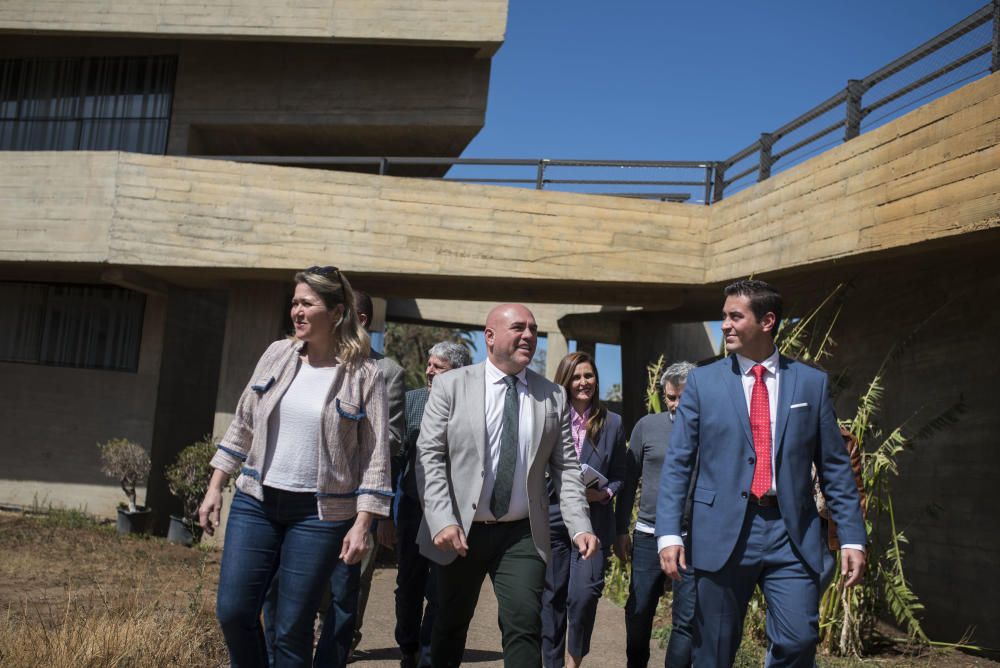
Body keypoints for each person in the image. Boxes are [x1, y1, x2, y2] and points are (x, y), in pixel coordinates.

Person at [656, 279, 867, 668]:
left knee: (799, 639)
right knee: (713, 651)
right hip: (721, 532)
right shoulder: (703, 383)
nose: (725, 325)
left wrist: (852, 536)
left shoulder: (811, 383)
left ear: (767, 321)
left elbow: (835, 466)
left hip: (792, 533)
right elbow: (679, 463)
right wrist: (668, 532)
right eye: (723, 317)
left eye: (735, 317)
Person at [199, 265, 392, 668]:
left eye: (307, 303)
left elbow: (376, 458)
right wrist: (216, 485)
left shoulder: (365, 376)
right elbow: (243, 425)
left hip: (319, 516)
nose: (297, 312)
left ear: (336, 312)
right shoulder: (276, 355)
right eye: (294, 303)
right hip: (256, 502)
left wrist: (362, 524)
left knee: (291, 627)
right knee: (233, 612)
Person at [416, 303, 600, 668]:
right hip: (459, 530)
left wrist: (580, 525)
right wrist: (442, 519)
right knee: (449, 626)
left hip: (521, 534)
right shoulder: (452, 385)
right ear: (490, 336)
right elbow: (429, 455)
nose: (529, 335)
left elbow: (565, 468)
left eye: (532, 328)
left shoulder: (553, 396)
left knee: (524, 625)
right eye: (518, 327)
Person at [316, 289, 407, 664]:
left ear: (361, 320)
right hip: (314, 492)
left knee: (352, 578)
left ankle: (342, 640)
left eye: (340, 313)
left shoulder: (389, 373)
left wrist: (349, 428)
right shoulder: (316, 363)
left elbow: (393, 440)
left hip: (360, 500)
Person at [541, 352, 626, 668]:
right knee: (551, 596)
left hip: (595, 520)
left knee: (584, 594)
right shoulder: (548, 418)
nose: (583, 382)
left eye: (588, 376)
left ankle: (574, 659)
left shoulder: (613, 423)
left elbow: (620, 474)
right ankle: (552, 663)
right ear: (564, 381)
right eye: (576, 377)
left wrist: (603, 492)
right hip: (551, 516)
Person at [395, 341, 472, 668]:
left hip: (453, 514)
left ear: (457, 373)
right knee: (408, 587)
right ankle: (408, 645)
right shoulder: (411, 402)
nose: (429, 371)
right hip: (414, 510)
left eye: (438, 367)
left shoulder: (472, 408)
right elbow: (394, 461)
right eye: (429, 364)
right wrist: (385, 516)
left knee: (441, 591)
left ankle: (427, 654)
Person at [615, 361, 695, 668]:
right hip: (649, 535)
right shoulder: (646, 426)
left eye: (681, 398)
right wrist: (621, 529)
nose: (674, 404)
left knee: (686, 619)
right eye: (669, 397)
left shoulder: (711, 429)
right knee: (639, 612)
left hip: (692, 540)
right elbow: (629, 480)